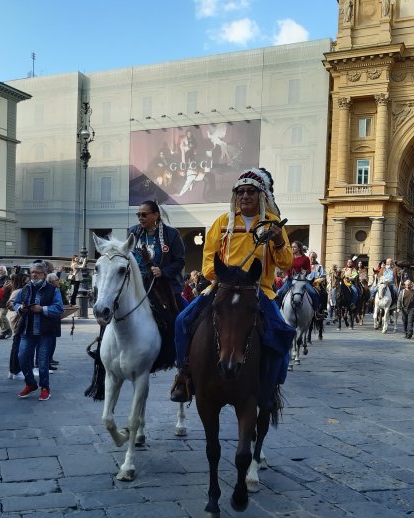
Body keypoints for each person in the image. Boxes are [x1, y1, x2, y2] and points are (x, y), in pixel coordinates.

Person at [170, 167, 294, 403]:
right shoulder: (222, 222)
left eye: (250, 192)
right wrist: (220, 275)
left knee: (282, 334)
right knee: (181, 321)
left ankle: (270, 387)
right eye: (240, 192)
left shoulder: (273, 224)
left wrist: (278, 240)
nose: (245, 196)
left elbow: (285, 263)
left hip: (259, 290)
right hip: (223, 287)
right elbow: (209, 258)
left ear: (261, 195)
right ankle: (183, 375)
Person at [15, 262, 64, 400]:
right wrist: (20, 308)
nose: (34, 275)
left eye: (37, 272)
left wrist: (42, 309)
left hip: (45, 331)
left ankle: (45, 387)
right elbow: (15, 303)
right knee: (22, 357)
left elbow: (59, 308)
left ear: (44, 274)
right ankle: (30, 384)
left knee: (42, 362)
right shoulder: (25, 289)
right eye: (32, 272)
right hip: (27, 330)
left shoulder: (53, 290)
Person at [128, 199, 186, 300]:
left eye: (144, 215)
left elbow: (180, 261)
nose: (140, 218)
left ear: (155, 215)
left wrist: (163, 272)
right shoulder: (133, 232)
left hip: (164, 287)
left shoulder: (172, 234)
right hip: (136, 286)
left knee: (178, 310)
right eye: (138, 215)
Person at [277, 241, 319, 311]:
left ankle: (316, 312)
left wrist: (306, 272)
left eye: (294, 247)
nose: (292, 248)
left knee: (314, 293)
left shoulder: (305, 258)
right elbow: (287, 269)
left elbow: (309, 270)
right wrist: (287, 275)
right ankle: (277, 312)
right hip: (291, 280)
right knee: (280, 293)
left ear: (299, 248)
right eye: (292, 247)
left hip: (302, 280)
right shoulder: (290, 258)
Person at [6, 272, 29, 379]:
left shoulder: (20, 290)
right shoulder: (19, 291)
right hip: (18, 321)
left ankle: (13, 370)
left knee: (17, 345)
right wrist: (21, 307)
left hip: (19, 320)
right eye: (26, 280)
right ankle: (15, 370)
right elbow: (9, 304)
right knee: (18, 346)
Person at [0, 266, 12, 339]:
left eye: (0, 270)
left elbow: (9, 290)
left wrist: (10, 300)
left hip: (5, 300)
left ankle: (8, 330)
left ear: (4, 271)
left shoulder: (8, 279)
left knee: (2, 315)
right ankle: (3, 331)